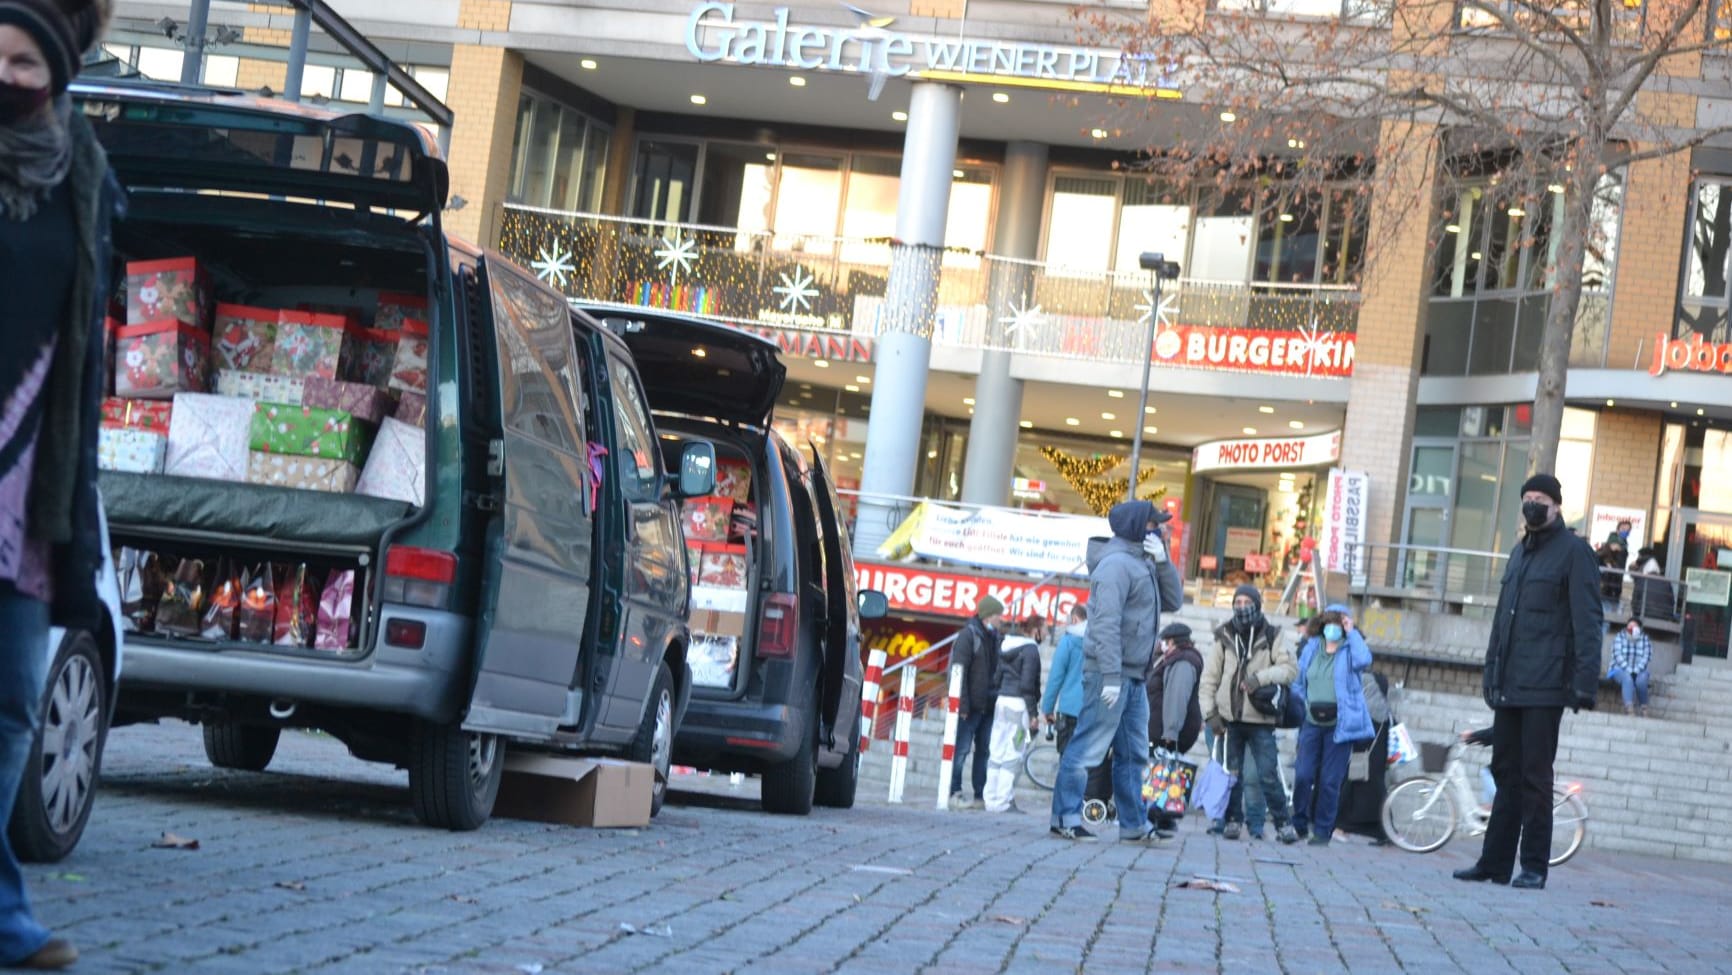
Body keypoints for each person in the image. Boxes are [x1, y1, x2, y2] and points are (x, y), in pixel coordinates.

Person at [0, 0, 115, 969]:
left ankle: (4, 920)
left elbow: (91, 346)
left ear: (59, 70)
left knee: (8, 703)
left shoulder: (81, 174)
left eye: (22, 60)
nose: (3, 71)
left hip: (30, 490)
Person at [1454, 473, 1601, 892]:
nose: (1533, 504)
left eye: (1540, 498)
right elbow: (1502, 623)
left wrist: (1584, 684)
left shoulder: (1574, 553)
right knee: (1505, 774)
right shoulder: (1519, 554)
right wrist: (1490, 672)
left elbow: (1588, 621)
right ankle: (1494, 863)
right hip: (1510, 684)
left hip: (1546, 684)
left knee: (1536, 778)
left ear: (1556, 506)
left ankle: (1534, 866)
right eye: (1528, 498)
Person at [1049, 500, 1182, 842]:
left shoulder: (1143, 563)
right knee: (1087, 748)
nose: (1162, 531)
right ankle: (1064, 817)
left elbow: (1174, 601)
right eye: (1157, 525)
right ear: (1141, 527)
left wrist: (1165, 563)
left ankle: (1134, 825)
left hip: (1133, 675)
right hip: (1112, 674)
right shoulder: (1116, 566)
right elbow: (1105, 625)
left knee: (1133, 754)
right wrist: (1109, 676)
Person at [1200, 585, 1300, 844]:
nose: (1242, 606)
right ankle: (1233, 821)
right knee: (1232, 773)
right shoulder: (1223, 635)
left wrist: (1259, 678)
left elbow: (1290, 669)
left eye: (1247, 601)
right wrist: (1209, 713)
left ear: (1257, 604)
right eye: (1238, 601)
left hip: (1260, 719)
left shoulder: (1273, 634)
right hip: (1229, 718)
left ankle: (1283, 824)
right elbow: (1209, 679)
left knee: (1267, 774)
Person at [1289, 605, 1374, 847]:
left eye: (1339, 623)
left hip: (1340, 725)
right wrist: (1301, 703)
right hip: (1311, 722)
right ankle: (1299, 824)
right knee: (1304, 774)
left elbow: (1364, 660)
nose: (1333, 628)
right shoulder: (1312, 647)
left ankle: (1323, 831)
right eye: (1330, 623)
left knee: (1329, 781)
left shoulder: (1350, 651)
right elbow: (1298, 679)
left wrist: (1353, 631)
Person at [1146, 621, 1204, 838]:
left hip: (1167, 731)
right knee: (1160, 777)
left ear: (1173, 642)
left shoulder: (1183, 662)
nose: (1161, 645)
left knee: (1164, 777)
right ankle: (1157, 818)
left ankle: (1162, 819)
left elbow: (1176, 699)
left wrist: (1170, 733)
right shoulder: (1169, 659)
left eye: (1164, 641)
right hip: (1159, 728)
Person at [948, 595, 1005, 809]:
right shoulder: (968, 636)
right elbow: (958, 671)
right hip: (970, 706)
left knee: (984, 751)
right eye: (999, 614)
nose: (1002, 619)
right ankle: (954, 791)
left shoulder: (996, 637)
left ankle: (980, 795)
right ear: (988, 615)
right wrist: (961, 705)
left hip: (989, 705)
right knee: (961, 750)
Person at [983, 628, 1042, 813]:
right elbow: (1027, 685)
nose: (1046, 634)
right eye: (1045, 630)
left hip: (1002, 703)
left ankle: (990, 799)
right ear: (1036, 630)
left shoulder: (1005, 646)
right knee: (1014, 752)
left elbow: (997, 678)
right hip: (1019, 706)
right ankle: (1004, 801)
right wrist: (1033, 713)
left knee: (996, 751)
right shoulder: (1031, 650)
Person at [1334, 669, 1394, 844]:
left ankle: (1339, 827)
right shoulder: (1374, 681)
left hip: (1367, 739)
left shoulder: (1362, 679)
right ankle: (1386, 832)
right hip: (1373, 741)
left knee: (1355, 781)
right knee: (1363, 784)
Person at [1041, 604, 1086, 754]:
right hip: (1092, 711)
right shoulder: (1101, 642)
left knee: (1067, 760)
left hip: (1069, 709)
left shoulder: (1068, 641)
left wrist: (1047, 708)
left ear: (1074, 619)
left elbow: (1055, 678)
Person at [1609, 617, 1652, 717]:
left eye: (1634, 626)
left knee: (1642, 679)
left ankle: (1644, 707)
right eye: (1630, 626)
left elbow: (1647, 656)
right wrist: (1629, 670)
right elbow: (1617, 655)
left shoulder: (1645, 639)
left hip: (1639, 670)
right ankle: (1629, 708)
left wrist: (1636, 670)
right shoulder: (1619, 637)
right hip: (1619, 669)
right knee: (1627, 678)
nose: (1631, 628)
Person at [1596, 532, 1628, 620]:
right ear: (1611, 543)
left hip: (1612, 590)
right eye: (1616, 544)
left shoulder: (1617, 554)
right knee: (1606, 615)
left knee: (1609, 615)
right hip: (1605, 590)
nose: (1618, 547)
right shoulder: (1601, 555)